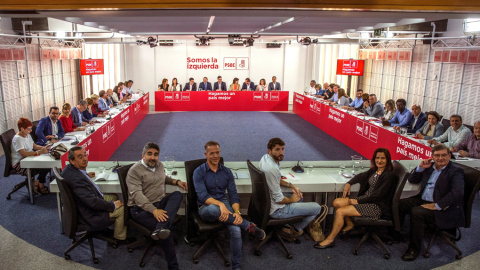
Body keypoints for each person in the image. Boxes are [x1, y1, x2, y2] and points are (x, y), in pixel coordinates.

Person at [194, 141, 266, 270]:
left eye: (217, 152)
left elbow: (233, 195)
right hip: (206, 208)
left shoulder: (227, 172)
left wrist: (237, 213)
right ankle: (248, 225)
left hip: (224, 205)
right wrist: (220, 204)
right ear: (206, 154)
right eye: (212, 153)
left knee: (236, 230)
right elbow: (203, 196)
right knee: (214, 208)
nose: (215, 156)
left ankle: (236, 266)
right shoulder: (198, 172)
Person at [315, 148, 398, 249]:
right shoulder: (375, 170)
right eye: (377, 158)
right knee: (337, 202)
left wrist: (358, 201)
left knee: (340, 212)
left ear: (388, 160)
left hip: (376, 206)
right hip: (366, 199)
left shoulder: (389, 175)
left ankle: (330, 240)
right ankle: (350, 225)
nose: (379, 161)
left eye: (382, 158)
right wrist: (349, 183)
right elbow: (360, 176)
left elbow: (377, 196)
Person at [126, 142, 186, 270]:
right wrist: (154, 211)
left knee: (177, 194)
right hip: (140, 209)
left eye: (156, 154)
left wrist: (176, 181)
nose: (153, 157)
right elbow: (137, 196)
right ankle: (173, 267)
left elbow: (162, 177)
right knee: (167, 234)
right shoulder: (134, 171)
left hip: (158, 202)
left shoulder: (159, 165)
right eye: (149, 154)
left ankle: (160, 228)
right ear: (143, 155)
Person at [399, 144, 464, 261]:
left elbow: (458, 192)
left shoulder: (455, 171)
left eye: (444, 155)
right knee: (400, 203)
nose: (440, 158)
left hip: (443, 207)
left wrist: (437, 205)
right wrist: (421, 168)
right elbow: (411, 179)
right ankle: (397, 234)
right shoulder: (429, 167)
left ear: (449, 156)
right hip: (423, 200)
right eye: (437, 155)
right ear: (432, 157)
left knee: (416, 212)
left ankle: (414, 249)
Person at [62, 146, 129, 244]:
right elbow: (92, 202)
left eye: (85, 155)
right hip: (89, 214)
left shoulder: (69, 170)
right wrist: (113, 206)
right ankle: (119, 239)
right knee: (121, 209)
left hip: (81, 206)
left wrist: (85, 175)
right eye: (80, 157)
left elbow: (78, 185)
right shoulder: (77, 180)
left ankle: (105, 228)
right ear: (72, 161)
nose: (85, 159)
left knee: (113, 196)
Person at [258, 138, 323, 239]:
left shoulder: (266, 158)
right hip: (276, 210)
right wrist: (292, 200)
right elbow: (279, 199)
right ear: (269, 151)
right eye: (277, 149)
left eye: (283, 149)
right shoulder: (272, 168)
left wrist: (291, 186)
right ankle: (294, 231)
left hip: (266, 203)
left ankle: (287, 225)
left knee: (299, 197)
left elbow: (275, 179)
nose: (281, 152)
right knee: (317, 208)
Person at [12, 118, 50, 194]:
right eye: (29, 129)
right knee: (46, 165)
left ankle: (37, 182)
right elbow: (24, 154)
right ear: (22, 129)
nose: (31, 131)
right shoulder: (18, 139)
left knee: (49, 163)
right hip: (20, 163)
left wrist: (43, 147)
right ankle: (40, 183)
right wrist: (39, 152)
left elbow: (34, 146)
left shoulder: (27, 135)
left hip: (29, 158)